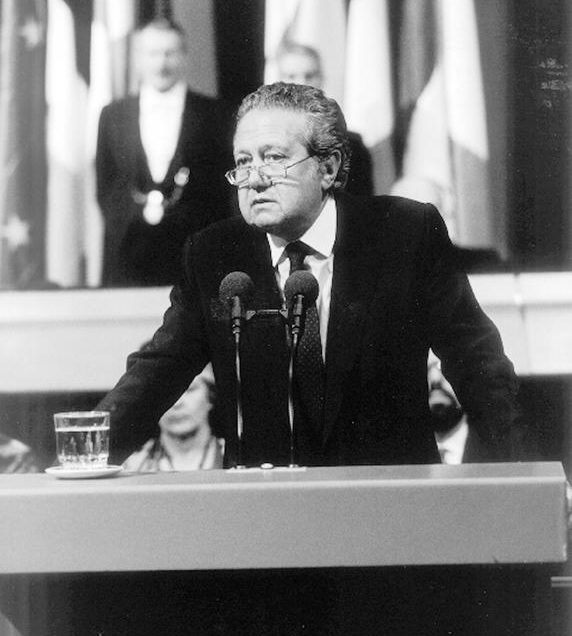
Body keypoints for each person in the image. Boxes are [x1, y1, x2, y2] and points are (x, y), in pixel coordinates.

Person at [97, 81, 532, 469]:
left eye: (273, 158)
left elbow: (478, 364)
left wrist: (520, 477)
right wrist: (87, 455)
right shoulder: (213, 254)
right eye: (243, 162)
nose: (255, 179)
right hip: (265, 519)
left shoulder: (404, 234)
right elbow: (157, 371)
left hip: (391, 508)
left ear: (327, 168)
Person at [95, 18, 233, 287]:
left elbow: (222, 189)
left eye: (170, 53)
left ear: (184, 56)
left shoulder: (215, 114)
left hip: (192, 256)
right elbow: (105, 186)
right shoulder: (112, 115)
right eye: (153, 53)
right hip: (127, 256)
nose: (161, 63)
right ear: (137, 58)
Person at [275, 42, 373, 196]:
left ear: (321, 79)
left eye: (309, 75)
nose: (301, 83)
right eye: (291, 76)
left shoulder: (353, 147)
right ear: (277, 82)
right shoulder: (261, 142)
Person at [123, 366, 223, 472]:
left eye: (189, 389)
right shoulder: (129, 467)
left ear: (211, 396)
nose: (176, 403)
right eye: (164, 392)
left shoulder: (236, 460)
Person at [427, 351, 489, 464]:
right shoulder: (398, 453)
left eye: (444, 369)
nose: (435, 379)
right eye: (424, 372)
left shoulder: (506, 446)